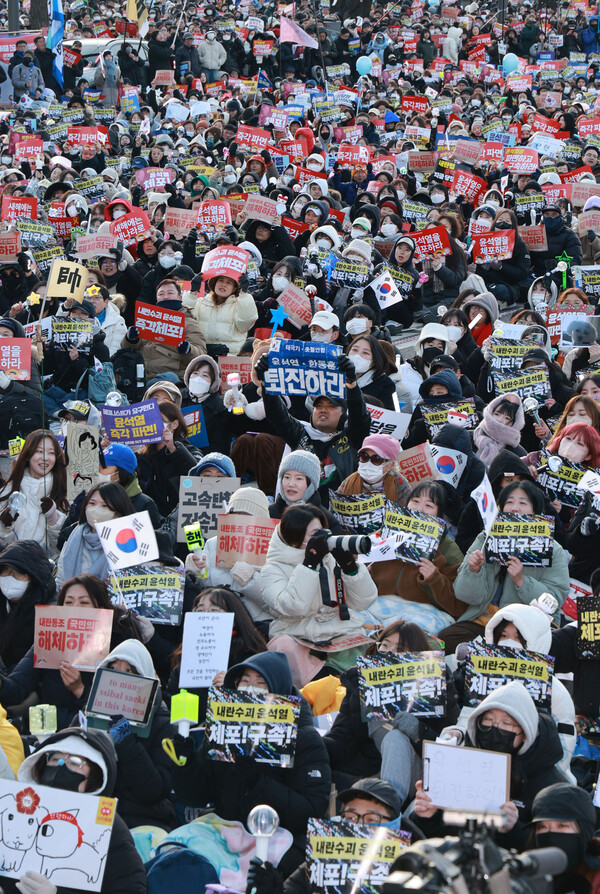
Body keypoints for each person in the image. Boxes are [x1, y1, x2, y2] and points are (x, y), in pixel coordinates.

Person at [171, 651, 331, 876]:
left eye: (260, 683)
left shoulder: (305, 738)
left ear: (278, 688)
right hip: (228, 834)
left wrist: (259, 782)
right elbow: (196, 796)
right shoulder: (223, 731)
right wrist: (186, 764)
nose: (251, 689)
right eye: (244, 681)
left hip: (283, 839)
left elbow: (311, 811)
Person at [412, 681, 565, 851]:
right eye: (488, 720)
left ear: (526, 733)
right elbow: (439, 837)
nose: (495, 728)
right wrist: (428, 816)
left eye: (507, 724)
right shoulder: (460, 767)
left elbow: (552, 852)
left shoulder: (549, 785)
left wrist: (512, 829)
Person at [12, 726, 148, 894]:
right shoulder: (20, 813)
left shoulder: (108, 828)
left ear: (95, 775)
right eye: (55, 759)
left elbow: (130, 889)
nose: (62, 766)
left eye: (75, 762)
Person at [446, 481, 570, 651]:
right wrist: (473, 570)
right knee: (447, 640)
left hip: (524, 628)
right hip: (482, 621)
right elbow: (464, 595)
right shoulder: (485, 539)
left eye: (523, 503)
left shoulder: (552, 549)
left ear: (536, 511)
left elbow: (554, 602)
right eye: (509, 502)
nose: (515, 508)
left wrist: (522, 582)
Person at [94, 639, 176, 829]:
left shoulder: (163, 722)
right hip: (97, 818)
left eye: (129, 671)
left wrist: (123, 737)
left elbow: (153, 791)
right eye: (113, 669)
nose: (119, 678)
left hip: (144, 822)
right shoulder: (89, 716)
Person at [0, 430, 69, 559]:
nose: (45, 457)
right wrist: (4, 527)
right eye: (39, 451)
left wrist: (54, 519)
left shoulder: (65, 492)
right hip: (11, 569)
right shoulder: (7, 491)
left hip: (47, 572)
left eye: (51, 453)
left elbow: (65, 549)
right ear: (27, 454)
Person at [55, 483, 136, 589]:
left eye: (104, 506)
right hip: (76, 603)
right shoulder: (72, 539)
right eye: (92, 503)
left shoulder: (131, 543)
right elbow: (60, 582)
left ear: (118, 512)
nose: (96, 510)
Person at [337, 434, 410, 504]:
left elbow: (410, 513)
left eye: (376, 459)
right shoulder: (349, 483)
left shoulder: (399, 484)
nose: (368, 463)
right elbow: (333, 511)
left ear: (390, 465)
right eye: (364, 456)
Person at [472, 393, 526, 466]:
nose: (500, 420)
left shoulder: (517, 452)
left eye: (507, 418)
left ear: (515, 424)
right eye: (497, 414)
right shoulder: (469, 437)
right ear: (490, 412)